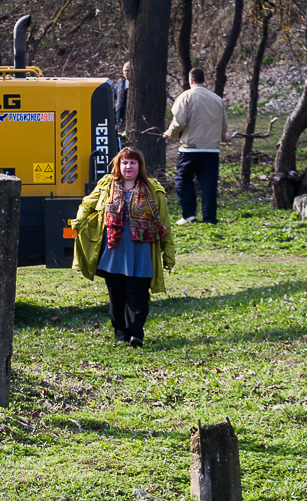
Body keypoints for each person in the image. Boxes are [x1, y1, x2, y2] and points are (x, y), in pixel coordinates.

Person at [72, 146, 176, 348]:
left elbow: (164, 224)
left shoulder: (153, 188)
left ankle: (136, 334)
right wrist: (80, 222)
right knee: (117, 295)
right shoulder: (106, 184)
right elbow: (87, 203)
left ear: (140, 165)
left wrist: (168, 256)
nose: (128, 166)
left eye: (133, 162)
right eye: (125, 162)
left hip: (143, 251)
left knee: (138, 296)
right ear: (118, 165)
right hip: (114, 250)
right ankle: (120, 335)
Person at [165, 67, 231, 225]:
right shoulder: (217, 99)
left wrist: (170, 133)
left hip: (190, 147)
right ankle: (210, 218)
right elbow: (223, 124)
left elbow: (179, 122)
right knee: (209, 183)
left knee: (182, 178)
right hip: (211, 149)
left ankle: (188, 215)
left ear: (191, 81)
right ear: (205, 80)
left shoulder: (185, 96)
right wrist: (222, 137)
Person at [114, 61, 131, 132]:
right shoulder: (120, 82)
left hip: (130, 117)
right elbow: (113, 95)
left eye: (128, 71)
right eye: (125, 71)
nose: (126, 73)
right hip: (119, 116)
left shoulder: (137, 86)